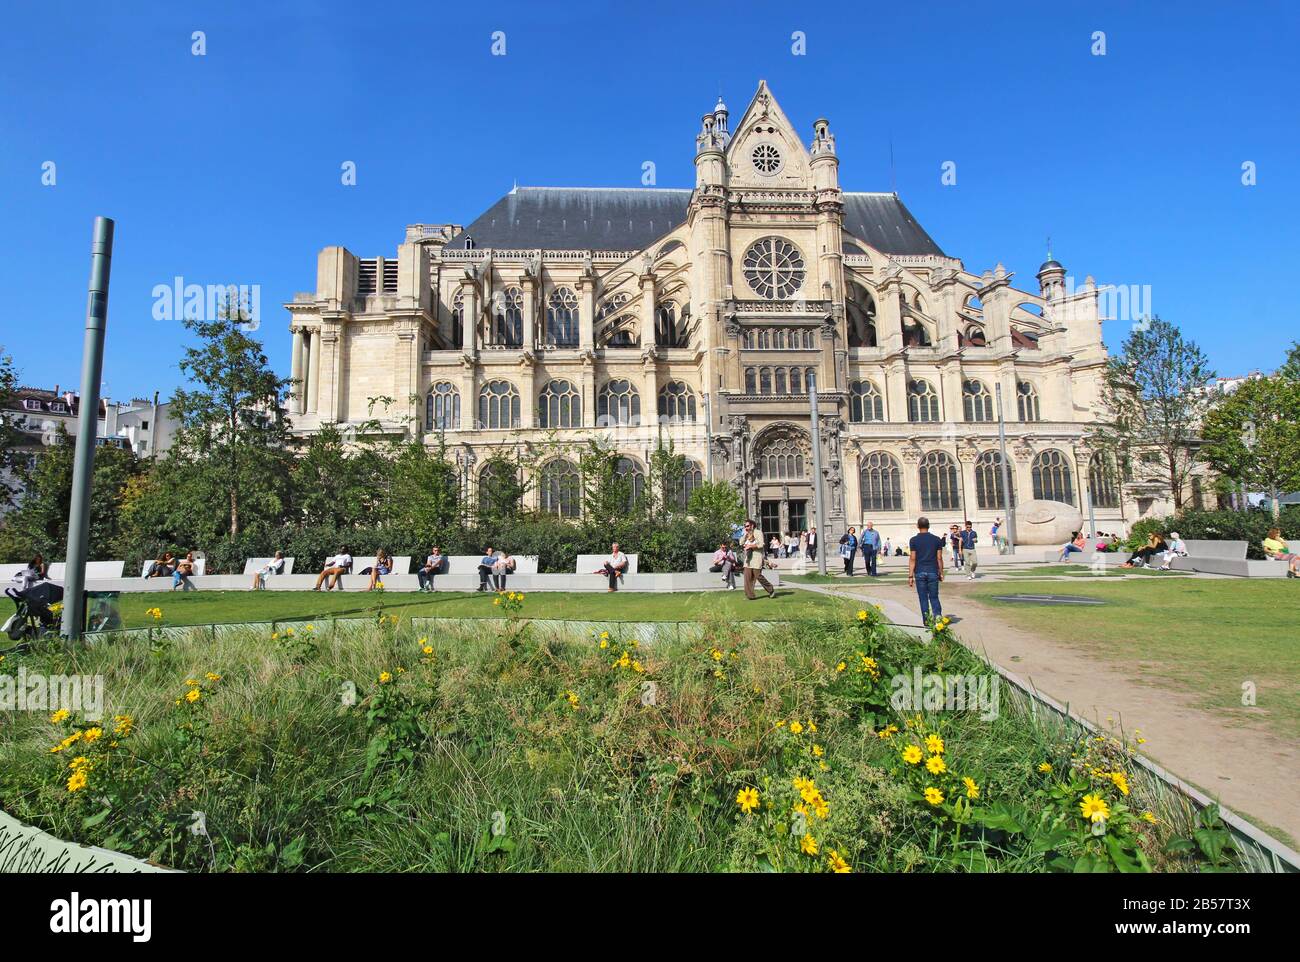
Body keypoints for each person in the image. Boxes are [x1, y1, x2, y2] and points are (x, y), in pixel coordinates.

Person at [908, 517, 946, 624]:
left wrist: (910, 576)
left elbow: (912, 558)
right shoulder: (937, 539)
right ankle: (937, 616)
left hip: (919, 571)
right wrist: (941, 572)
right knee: (934, 596)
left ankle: (927, 621)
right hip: (933, 570)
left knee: (923, 598)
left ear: (917, 526)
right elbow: (939, 558)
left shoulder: (914, 540)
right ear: (929, 526)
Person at [740, 519, 775, 600]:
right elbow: (741, 543)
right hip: (748, 559)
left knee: (758, 576)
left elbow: (761, 544)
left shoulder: (758, 532)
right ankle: (750, 596)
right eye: (745, 526)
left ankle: (771, 589)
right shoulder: (746, 534)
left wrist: (751, 546)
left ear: (752, 525)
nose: (746, 528)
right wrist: (745, 535)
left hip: (756, 558)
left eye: (748, 526)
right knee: (747, 578)